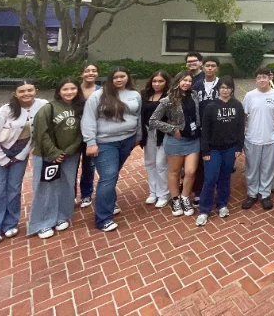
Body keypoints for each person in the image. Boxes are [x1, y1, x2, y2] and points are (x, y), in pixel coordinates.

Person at [0, 80, 48, 244]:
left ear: (35, 90)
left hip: (20, 154)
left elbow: (35, 134)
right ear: (15, 94)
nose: (26, 94)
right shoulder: (6, 110)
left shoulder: (42, 105)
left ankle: (10, 224)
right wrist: (2, 158)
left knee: (14, 189)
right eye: (21, 91)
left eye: (29, 90)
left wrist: (21, 155)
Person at [82, 66, 142, 232]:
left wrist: (138, 136)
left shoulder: (134, 94)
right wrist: (90, 142)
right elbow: (88, 119)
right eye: (115, 77)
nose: (119, 80)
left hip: (127, 141)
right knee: (108, 176)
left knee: (112, 174)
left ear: (127, 78)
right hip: (105, 143)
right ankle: (103, 218)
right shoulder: (98, 96)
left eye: (122, 76)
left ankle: (109, 200)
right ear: (110, 79)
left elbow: (138, 117)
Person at [27, 78, 85, 239]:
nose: (69, 92)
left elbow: (82, 131)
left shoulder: (79, 108)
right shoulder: (48, 108)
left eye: (72, 89)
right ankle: (43, 223)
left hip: (70, 155)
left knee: (66, 186)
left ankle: (61, 216)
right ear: (59, 91)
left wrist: (71, 149)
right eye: (65, 89)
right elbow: (41, 133)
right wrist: (54, 152)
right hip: (48, 155)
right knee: (46, 188)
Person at [149, 71, 202, 217]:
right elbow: (153, 121)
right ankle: (175, 199)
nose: (187, 83)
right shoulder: (168, 100)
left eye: (189, 81)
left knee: (190, 171)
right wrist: (172, 129)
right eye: (184, 80)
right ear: (177, 81)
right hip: (176, 141)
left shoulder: (194, 95)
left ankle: (185, 197)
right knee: (175, 171)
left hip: (193, 138)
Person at [197, 76, 245, 225]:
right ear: (218, 89)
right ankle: (204, 210)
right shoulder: (211, 107)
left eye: (228, 88)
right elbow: (205, 131)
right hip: (213, 149)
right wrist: (205, 151)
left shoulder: (237, 105)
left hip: (230, 148)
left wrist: (239, 147)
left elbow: (240, 128)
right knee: (210, 178)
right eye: (222, 88)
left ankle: (222, 204)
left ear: (232, 89)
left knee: (225, 177)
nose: (225, 90)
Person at [241, 67, 274, 210]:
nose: (262, 80)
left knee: (268, 168)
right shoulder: (250, 96)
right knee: (251, 167)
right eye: (259, 77)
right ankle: (252, 194)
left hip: (270, 138)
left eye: (264, 77)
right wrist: (243, 134)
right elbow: (245, 117)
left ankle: (265, 194)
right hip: (252, 138)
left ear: (270, 78)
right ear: (256, 80)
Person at [192, 56, 221, 205]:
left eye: (213, 66)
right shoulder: (196, 86)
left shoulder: (222, 85)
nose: (210, 68)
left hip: (219, 129)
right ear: (203, 67)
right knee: (200, 161)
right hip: (201, 129)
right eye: (207, 66)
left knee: (218, 160)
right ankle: (198, 191)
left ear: (217, 68)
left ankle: (218, 189)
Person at [140, 70, 172, 208]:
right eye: (154, 81)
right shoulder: (146, 95)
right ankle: (153, 192)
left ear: (166, 82)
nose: (157, 84)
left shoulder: (169, 96)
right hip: (148, 132)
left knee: (161, 163)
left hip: (162, 133)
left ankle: (164, 193)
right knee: (150, 162)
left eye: (160, 81)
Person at [76, 63, 101, 209]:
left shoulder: (101, 91)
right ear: (82, 74)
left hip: (92, 133)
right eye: (87, 71)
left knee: (89, 166)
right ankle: (70, 194)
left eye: (94, 70)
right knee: (71, 166)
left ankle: (86, 194)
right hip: (73, 133)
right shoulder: (74, 89)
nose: (90, 73)